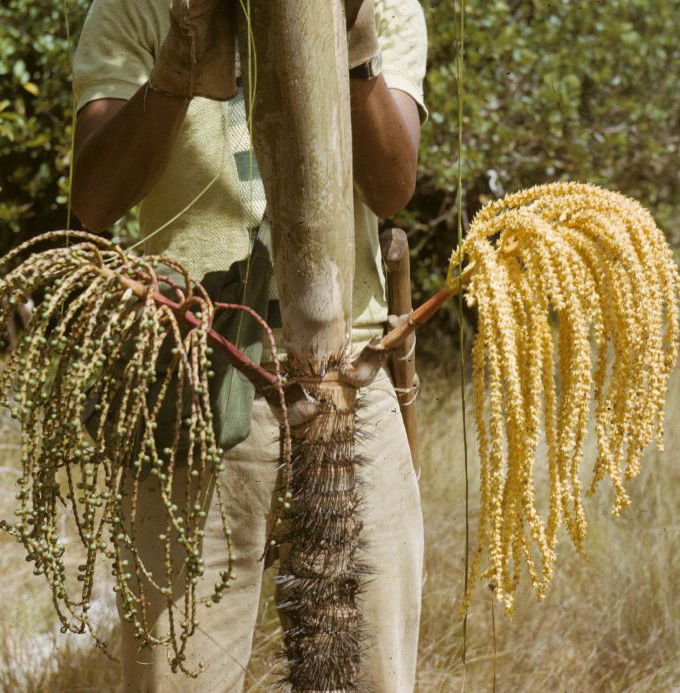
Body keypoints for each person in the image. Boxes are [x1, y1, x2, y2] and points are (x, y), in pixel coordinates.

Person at [71, 1, 428, 690]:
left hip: (350, 380)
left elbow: (392, 184)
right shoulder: (138, 8)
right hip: (193, 385)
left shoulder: (379, 7)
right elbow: (94, 199)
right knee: (179, 672)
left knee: (372, 670)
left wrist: (353, 46)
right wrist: (175, 75)